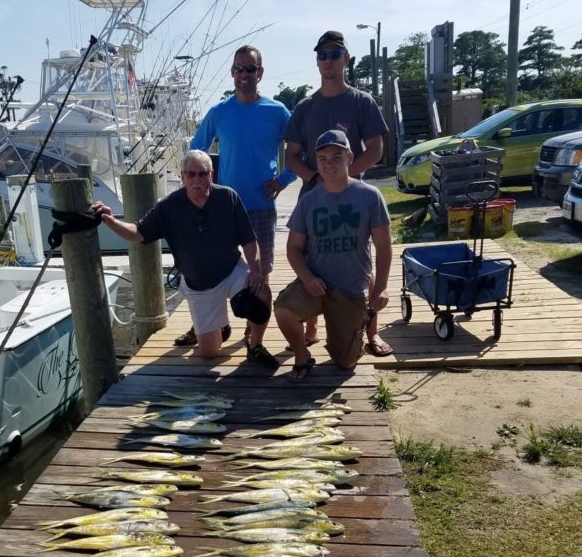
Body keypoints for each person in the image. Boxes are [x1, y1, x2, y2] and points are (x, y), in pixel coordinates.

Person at [90, 150, 271, 361]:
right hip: (199, 284)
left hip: (231, 270)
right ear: (182, 177)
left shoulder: (228, 197)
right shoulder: (169, 206)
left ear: (211, 175)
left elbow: (249, 240)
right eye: (191, 174)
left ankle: (256, 344)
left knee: (262, 291)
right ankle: (219, 327)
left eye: (202, 174)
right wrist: (111, 221)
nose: (197, 180)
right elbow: (138, 232)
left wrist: (256, 272)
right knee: (209, 353)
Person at [284, 29, 392, 357]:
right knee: (314, 254)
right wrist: (319, 179)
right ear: (317, 62)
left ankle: (370, 332)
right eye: (322, 55)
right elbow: (291, 155)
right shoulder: (305, 106)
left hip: (353, 194)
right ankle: (313, 324)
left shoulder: (362, 102)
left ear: (346, 59)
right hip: (315, 194)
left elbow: (376, 150)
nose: (328, 60)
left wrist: (347, 177)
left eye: (334, 54)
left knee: (361, 260)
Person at [189, 44, 295, 368]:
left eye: (250, 69)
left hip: (261, 206)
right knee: (216, 266)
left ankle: (255, 332)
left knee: (259, 272)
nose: (244, 74)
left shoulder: (277, 111)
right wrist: (206, 184)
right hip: (223, 208)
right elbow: (196, 149)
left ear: (260, 73)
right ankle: (212, 323)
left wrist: (284, 178)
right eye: (239, 69)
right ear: (232, 72)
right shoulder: (219, 112)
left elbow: (298, 148)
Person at [274, 129, 392, 380]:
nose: (329, 164)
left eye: (336, 157)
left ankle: (359, 331)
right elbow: (293, 248)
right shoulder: (308, 201)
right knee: (283, 310)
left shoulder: (370, 196)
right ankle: (301, 354)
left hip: (350, 288)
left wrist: (381, 287)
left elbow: (383, 245)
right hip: (316, 284)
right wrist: (306, 278)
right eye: (322, 159)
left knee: (345, 363)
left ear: (349, 157)